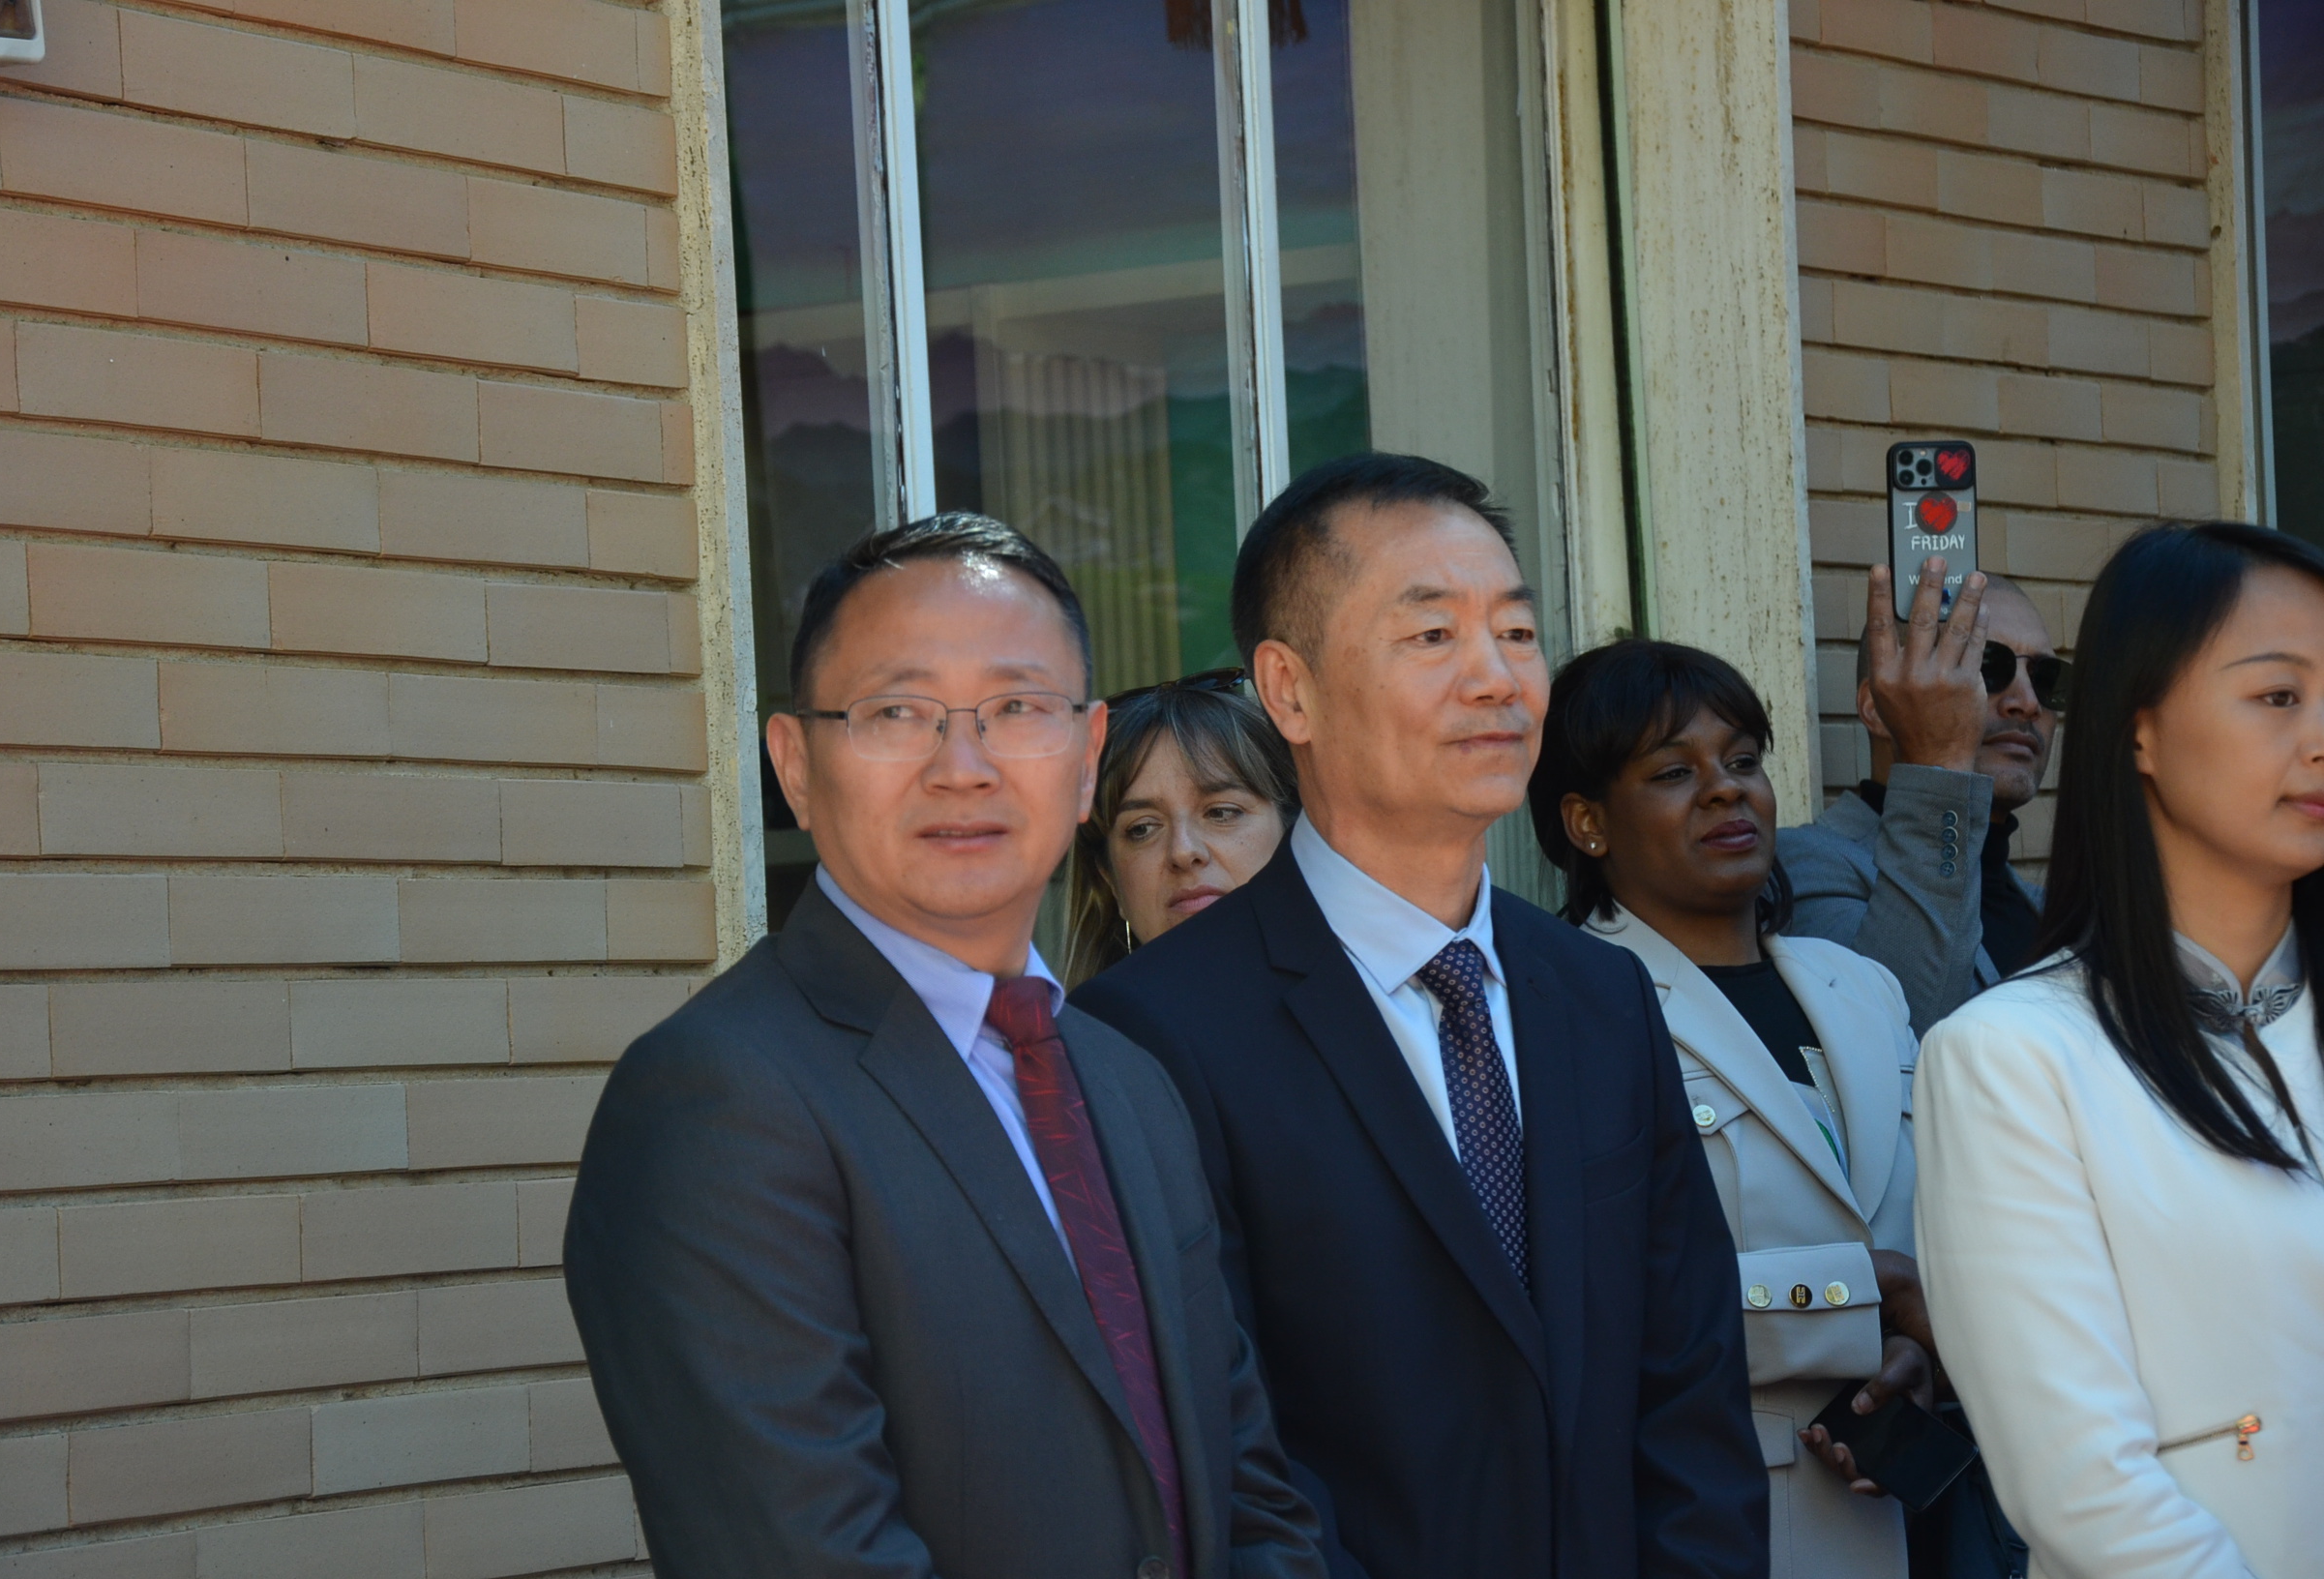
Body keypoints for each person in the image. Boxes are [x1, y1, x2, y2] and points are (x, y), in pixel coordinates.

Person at [564, 514, 1326, 1579]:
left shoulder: (1125, 1082)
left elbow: (1250, 1496)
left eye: (1015, 708)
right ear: (794, 762)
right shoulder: (718, 1097)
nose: (962, 766)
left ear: (1085, 756)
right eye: (896, 712)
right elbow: (808, 1551)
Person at [1074, 454, 1769, 1579]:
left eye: (1516, 633)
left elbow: (1688, 1390)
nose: (1497, 679)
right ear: (1289, 690)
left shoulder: (1599, 996)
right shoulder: (1149, 1032)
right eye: (1432, 637)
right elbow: (1223, 1452)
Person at [1914, 522, 2324, 1579]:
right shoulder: (2014, 1059)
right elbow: (2079, 1483)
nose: (2318, 735)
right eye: (2278, 696)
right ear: (2136, 727)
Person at [1529, 639, 1931, 1578]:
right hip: (1705, 1527)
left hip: (1914, 1514)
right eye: (1673, 772)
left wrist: (1927, 1354)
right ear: (1587, 822)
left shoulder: (1861, 987)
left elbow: (1935, 1236)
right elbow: (1580, 1303)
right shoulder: (1559, 1007)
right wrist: (1863, 1299)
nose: (1725, 791)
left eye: (1742, 760)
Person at [1779, 559, 2068, 1034]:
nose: (2028, 702)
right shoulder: (1803, 869)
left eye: (2047, 677)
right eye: (1983, 667)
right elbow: (1897, 1042)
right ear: (1877, 708)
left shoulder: (2052, 908)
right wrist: (1940, 765)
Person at [1063, 670, 1299, 987]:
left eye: (1221, 812)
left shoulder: (1375, 1013)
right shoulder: (1078, 1035)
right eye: (1142, 829)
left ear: (1295, 835)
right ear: (1110, 881)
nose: (1184, 851)